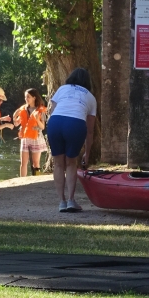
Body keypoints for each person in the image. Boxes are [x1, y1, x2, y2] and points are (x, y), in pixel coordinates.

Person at [47, 68, 97, 212]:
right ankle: (71, 200)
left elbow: (52, 111)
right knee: (71, 162)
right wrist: (87, 153)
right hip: (75, 124)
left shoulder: (62, 89)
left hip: (55, 122)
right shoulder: (90, 97)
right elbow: (90, 130)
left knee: (58, 163)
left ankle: (61, 202)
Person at [13, 88, 48, 176]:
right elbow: (16, 124)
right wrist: (14, 116)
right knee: (23, 163)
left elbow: (43, 127)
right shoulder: (23, 109)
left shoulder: (40, 110)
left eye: (28, 97)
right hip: (25, 138)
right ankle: (22, 182)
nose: (26, 99)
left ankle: (36, 180)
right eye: (25, 97)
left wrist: (37, 120)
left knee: (36, 163)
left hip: (36, 137)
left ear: (34, 98)